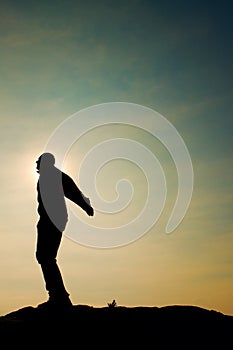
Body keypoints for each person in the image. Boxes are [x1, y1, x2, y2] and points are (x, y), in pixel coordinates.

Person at [35, 152, 94, 309]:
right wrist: (85, 205)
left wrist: (85, 206)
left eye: (38, 161)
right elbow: (72, 191)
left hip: (52, 221)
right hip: (48, 220)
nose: (36, 164)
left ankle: (58, 297)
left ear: (45, 163)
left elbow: (72, 191)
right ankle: (57, 295)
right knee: (44, 256)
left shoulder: (54, 175)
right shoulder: (50, 176)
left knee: (45, 256)